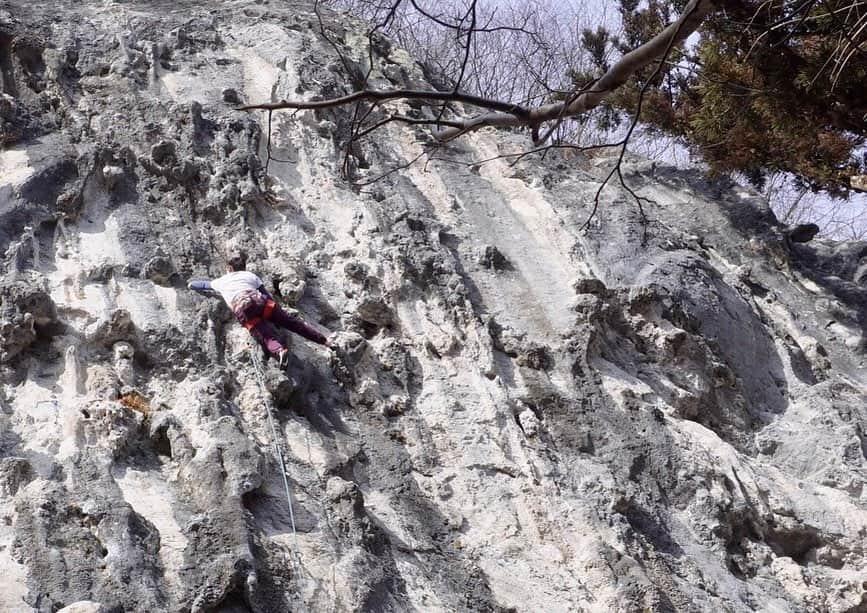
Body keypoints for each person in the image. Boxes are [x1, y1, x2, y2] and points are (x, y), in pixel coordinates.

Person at [187, 251, 330, 368]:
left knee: (265, 335)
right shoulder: (250, 275)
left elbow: (202, 285)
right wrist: (277, 314)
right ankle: (324, 341)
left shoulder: (221, 281)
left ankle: (279, 351)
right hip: (260, 302)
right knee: (293, 323)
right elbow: (266, 294)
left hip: (243, 308)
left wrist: (191, 285)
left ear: (229, 269)